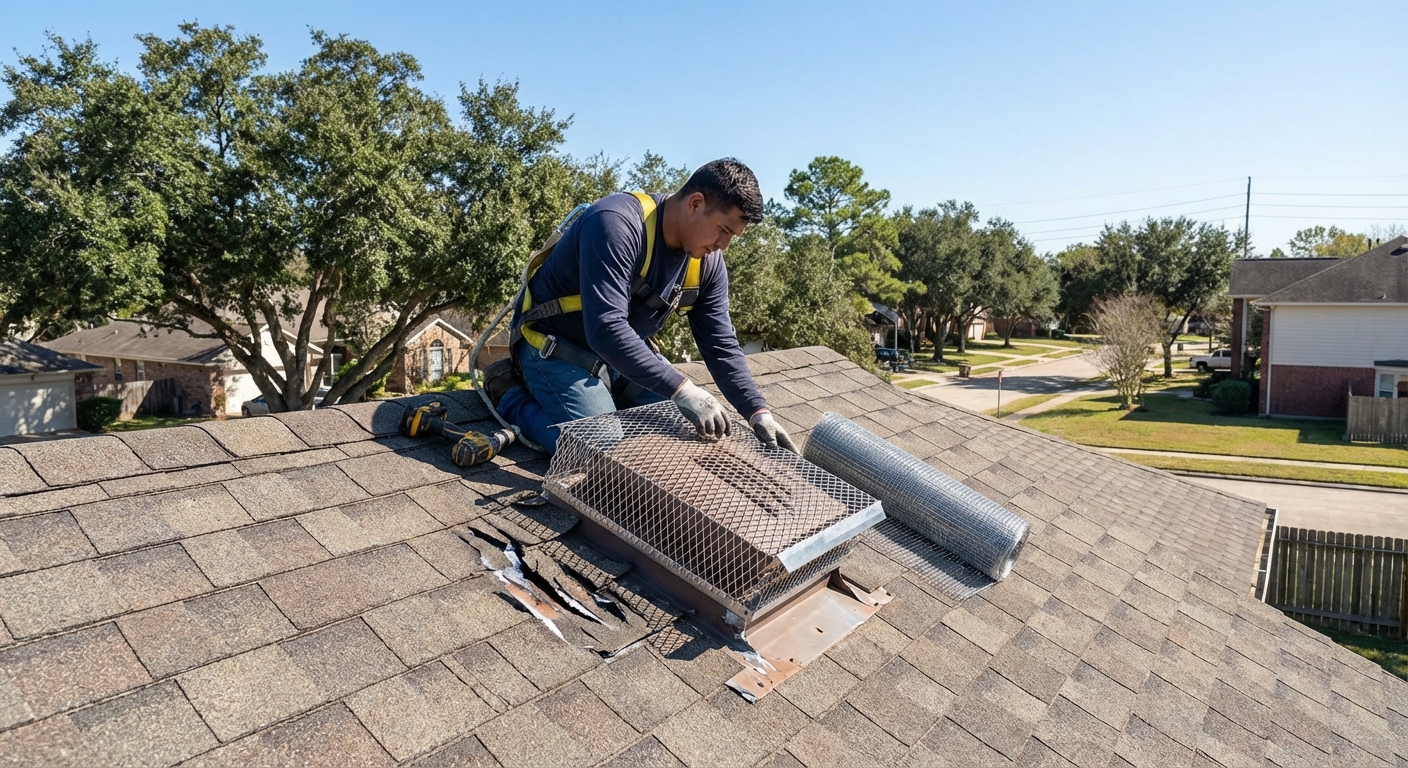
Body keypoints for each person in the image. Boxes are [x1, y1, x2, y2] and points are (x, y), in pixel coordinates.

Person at [489, 158, 795, 455]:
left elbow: (721, 346)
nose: (723, 246)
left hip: (620, 358)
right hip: (556, 348)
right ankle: (511, 397)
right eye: (723, 231)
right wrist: (683, 389)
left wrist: (757, 411)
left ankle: (604, 397)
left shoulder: (706, 263)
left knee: (690, 431)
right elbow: (606, 328)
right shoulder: (615, 223)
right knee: (602, 448)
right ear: (696, 203)